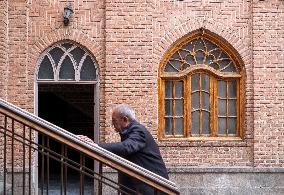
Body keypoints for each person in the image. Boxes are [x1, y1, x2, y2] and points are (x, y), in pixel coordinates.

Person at [78, 104, 169, 195]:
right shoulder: (130, 131)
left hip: (153, 184)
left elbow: (126, 147)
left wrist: (96, 146)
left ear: (125, 119)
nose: (112, 124)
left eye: (114, 120)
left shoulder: (138, 130)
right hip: (142, 184)